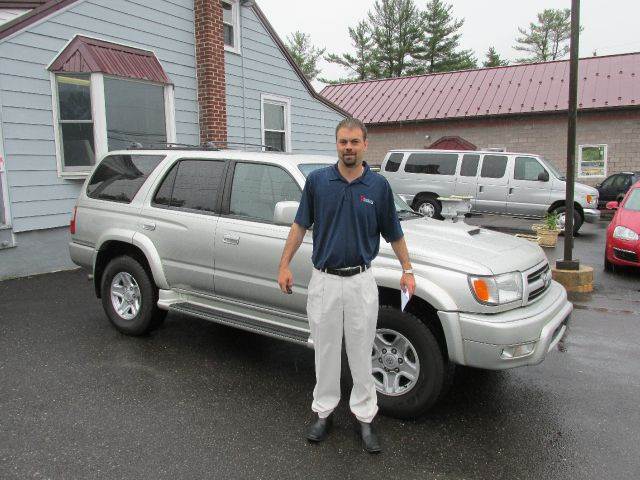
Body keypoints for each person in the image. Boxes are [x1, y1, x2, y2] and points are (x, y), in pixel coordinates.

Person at [277, 117, 416, 454]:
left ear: (365, 144)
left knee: (360, 351)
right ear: (336, 144)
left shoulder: (378, 187)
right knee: (324, 351)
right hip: (324, 280)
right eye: (343, 142)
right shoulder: (317, 182)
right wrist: (283, 265)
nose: (349, 148)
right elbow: (299, 225)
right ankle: (323, 412)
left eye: (354, 142)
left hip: (361, 281)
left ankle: (365, 417)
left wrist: (407, 269)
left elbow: (394, 232)